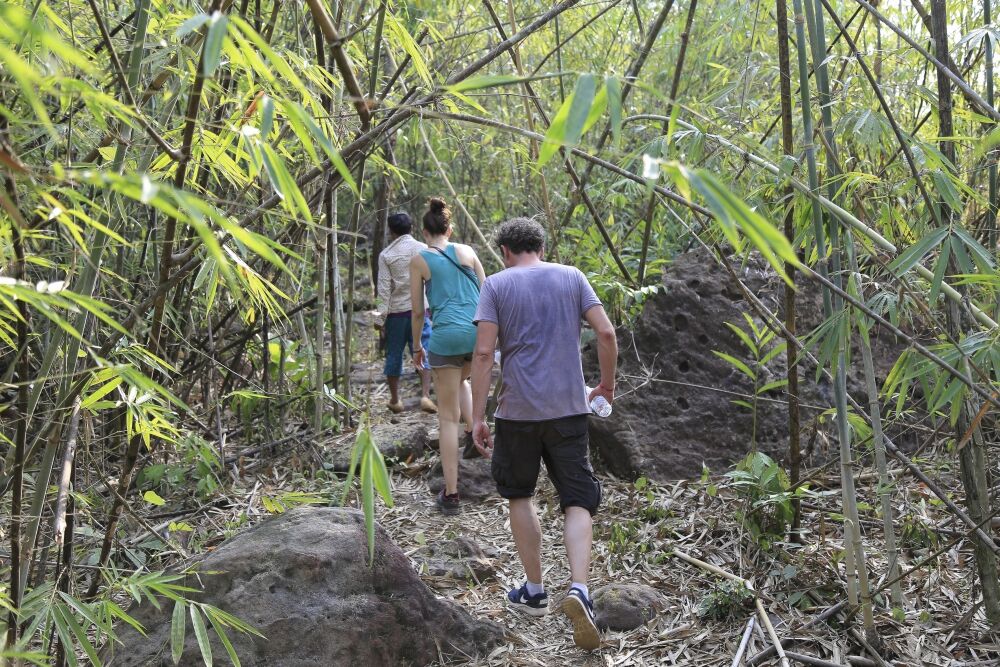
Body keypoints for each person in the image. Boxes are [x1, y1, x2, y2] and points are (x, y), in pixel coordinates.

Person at [469, 217, 617, 651]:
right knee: (577, 498)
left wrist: (477, 416)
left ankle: (534, 591)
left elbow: (483, 354)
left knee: (520, 494)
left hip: (517, 412)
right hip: (569, 407)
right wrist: (606, 386)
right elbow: (606, 332)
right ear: (541, 247)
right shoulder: (572, 277)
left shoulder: (496, 285)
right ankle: (580, 589)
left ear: (505, 251)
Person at [410, 197, 485, 515]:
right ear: (449, 229)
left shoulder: (419, 260)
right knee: (461, 380)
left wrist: (417, 346)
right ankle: (473, 431)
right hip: (477, 335)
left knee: (446, 418)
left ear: (424, 233)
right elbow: (487, 292)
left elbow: (417, 312)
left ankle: (452, 494)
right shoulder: (467, 251)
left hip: (445, 338)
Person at [375, 211, 436, 414]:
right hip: (421, 310)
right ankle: (425, 396)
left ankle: (395, 400)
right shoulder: (423, 249)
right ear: (412, 228)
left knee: (394, 354)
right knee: (424, 349)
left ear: (391, 231)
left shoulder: (386, 255)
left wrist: (380, 318)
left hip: (396, 314)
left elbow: (383, 289)